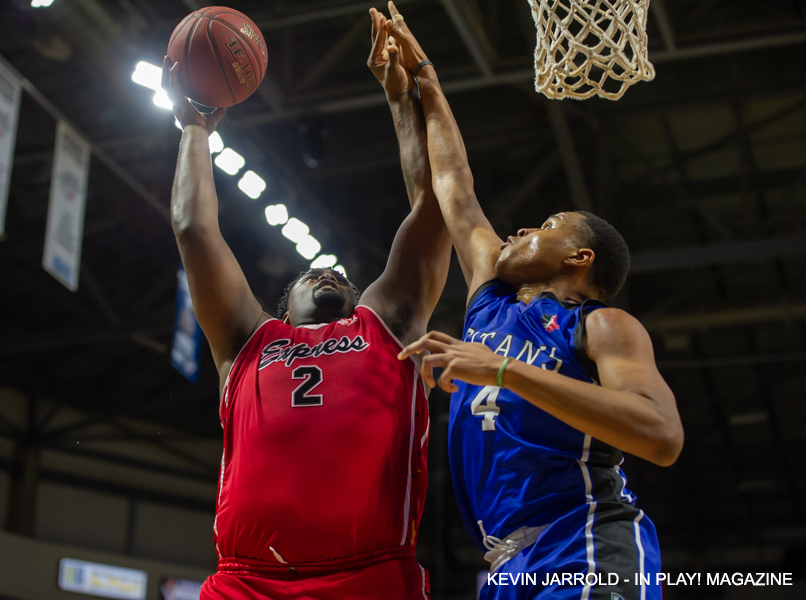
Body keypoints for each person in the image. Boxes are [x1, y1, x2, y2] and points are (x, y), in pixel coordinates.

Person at [384, 3, 685, 598]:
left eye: (548, 224)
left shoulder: (602, 326)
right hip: (504, 564)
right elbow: (454, 188)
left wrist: (503, 370)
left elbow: (661, 434)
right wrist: (422, 86)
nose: (521, 231)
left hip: (587, 541)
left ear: (581, 257)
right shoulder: (491, 301)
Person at [160, 7, 450, 598]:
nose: (327, 273)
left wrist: (402, 97)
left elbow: (433, 205)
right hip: (247, 582)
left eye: (336, 273)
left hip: (370, 575)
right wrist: (193, 128)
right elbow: (195, 229)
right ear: (282, 308)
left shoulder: (389, 325)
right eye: (311, 273)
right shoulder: (248, 340)